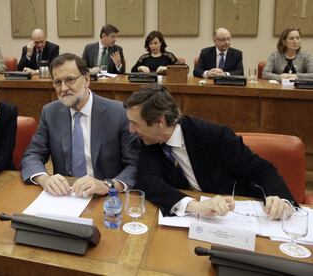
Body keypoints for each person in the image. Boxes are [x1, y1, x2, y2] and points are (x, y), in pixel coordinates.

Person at [124, 84, 296, 219]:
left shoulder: (213, 135)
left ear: (159, 122)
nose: (131, 130)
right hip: (193, 221)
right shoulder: (148, 140)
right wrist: (193, 206)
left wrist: (281, 200)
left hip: (234, 215)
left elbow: (262, 170)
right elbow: (147, 181)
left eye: (135, 123)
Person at [21, 53, 138, 197]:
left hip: (107, 198)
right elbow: (32, 155)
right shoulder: (50, 112)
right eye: (57, 82)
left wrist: (108, 185)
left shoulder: (118, 113)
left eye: (70, 80)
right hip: (66, 197)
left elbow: (135, 164)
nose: (63, 88)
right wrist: (44, 179)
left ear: (87, 79)